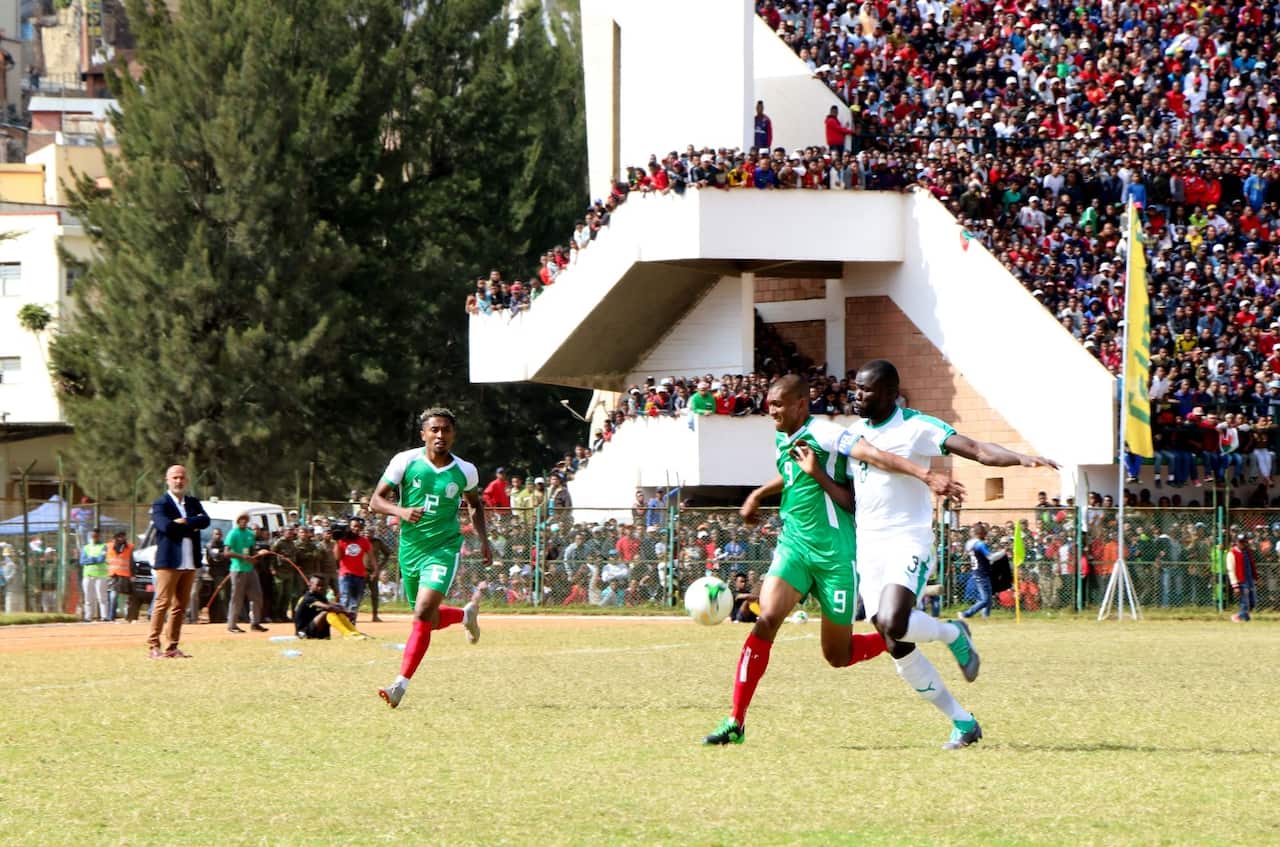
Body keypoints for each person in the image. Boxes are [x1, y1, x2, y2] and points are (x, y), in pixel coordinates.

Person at [703, 375, 964, 745]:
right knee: (767, 620)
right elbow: (790, 471)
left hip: (836, 558)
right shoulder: (783, 435)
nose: (770, 410)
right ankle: (735, 721)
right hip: (794, 546)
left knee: (838, 656)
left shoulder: (825, 433)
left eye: (777, 404)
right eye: (769, 403)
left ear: (800, 405)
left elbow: (871, 454)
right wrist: (758, 494)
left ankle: (893, 635)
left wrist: (925, 474)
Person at [834, 360, 1057, 748]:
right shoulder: (852, 436)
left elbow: (975, 448)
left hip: (907, 539)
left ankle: (952, 632)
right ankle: (962, 721)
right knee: (893, 641)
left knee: (893, 619)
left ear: (889, 393)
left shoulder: (916, 426)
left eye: (865, 389)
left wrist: (1019, 458)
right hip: (868, 545)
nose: (857, 394)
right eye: (856, 387)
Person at [371, 407, 492, 709]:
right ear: (423, 434)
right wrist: (400, 511)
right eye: (434, 430)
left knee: (424, 612)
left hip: (444, 549)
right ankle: (465, 615)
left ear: (453, 434)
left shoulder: (465, 470)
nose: (441, 435)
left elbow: (474, 504)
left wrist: (484, 539)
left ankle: (400, 684)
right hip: (410, 550)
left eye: (446, 430)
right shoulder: (405, 461)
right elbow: (375, 500)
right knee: (426, 619)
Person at [147, 465, 210, 658]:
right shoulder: (161, 504)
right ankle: (153, 646)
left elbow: (205, 521)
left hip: (189, 562)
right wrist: (191, 524)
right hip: (168, 562)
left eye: (182, 477)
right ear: (167, 480)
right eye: (174, 477)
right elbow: (165, 527)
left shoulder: (192, 502)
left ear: (187, 480)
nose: (178, 481)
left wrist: (184, 522)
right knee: (162, 603)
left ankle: (172, 646)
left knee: (180, 606)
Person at [225, 514, 268, 634]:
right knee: (237, 598)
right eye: (241, 520)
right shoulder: (233, 533)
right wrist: (241, 556)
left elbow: (251, 550)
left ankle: (255, 623)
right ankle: (232, 625)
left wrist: (258, 554)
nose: (243, 522)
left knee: (257, 596)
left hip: (250, 569)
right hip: (238, 569)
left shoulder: (250, 534)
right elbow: (226, 553)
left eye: (245, 520)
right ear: (238, 521)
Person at [294, 575, 368, 639]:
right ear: (310, 585)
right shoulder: (308, 597)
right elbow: (328, 607)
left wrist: (344, 609)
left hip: (314, 629)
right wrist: (346, 612)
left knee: (337, 611)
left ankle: (354, 632)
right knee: (327, 612)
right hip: (304, 632)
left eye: (322, 585)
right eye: (318, 585)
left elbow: (332, 604)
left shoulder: (319, 596)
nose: (321, 587)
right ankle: (347, 634)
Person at [335, 517, 375, 622]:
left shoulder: (364, 541)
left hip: (360, 575)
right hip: (345, 574)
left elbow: (371, 557)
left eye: (358, 527)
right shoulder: (342, 540)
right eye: (354, 526)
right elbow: (337, 557)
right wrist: (337, 542)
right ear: (349, 527)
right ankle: (343, 623)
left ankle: (351, 623)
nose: (356, 529)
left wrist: (376, 570)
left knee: (355, 602)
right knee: (345, 599)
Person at [960, 523, 996, 619]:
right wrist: (1002, 552)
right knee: (985, 599)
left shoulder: (971, 543)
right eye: (984, 533)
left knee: (987, 596)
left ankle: (985, 615)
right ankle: (966, 614)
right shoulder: (979, 544)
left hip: (980, 572)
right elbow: (990, 557)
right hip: (981, 573)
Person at [79, 528, 109, 622]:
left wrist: (90, 559)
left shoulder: (104, 546)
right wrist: (94, 559)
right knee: (88, 598)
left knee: (102, 597)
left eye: (96, 536)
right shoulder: (86, 547)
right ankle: (88, 617)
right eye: (92, 536)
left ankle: (104, 616)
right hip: (88, 575)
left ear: (99, 536)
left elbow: (101, 559)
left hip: (101, 575)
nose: (94, 538)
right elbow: (82, 561)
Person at [1228, 533, 1258, 623]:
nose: (1242, 544)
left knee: (1253, 602)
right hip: (1241, 581)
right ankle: (1242, 618)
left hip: (1249, 580)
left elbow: (1252, 565)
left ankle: (1241, 616)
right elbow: (1231, 570)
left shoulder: (1248, 552)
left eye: (1244, 542)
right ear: (1236, 542)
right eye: (1240, 542)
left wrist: (1255, 578)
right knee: (1245, 601)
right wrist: (1235, 585)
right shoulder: (1232, 553)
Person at [106, 530, 133, 622]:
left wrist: (133, 574)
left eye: (124, 536)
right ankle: (111, 616)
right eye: (120, 536)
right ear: (115, 538)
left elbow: (132, 562)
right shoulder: (109, 546)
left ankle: (127, 615)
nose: (122, 538)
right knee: (113, 596)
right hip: (113, 575)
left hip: (125, 575)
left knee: (126, 598)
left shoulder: (129, 547)